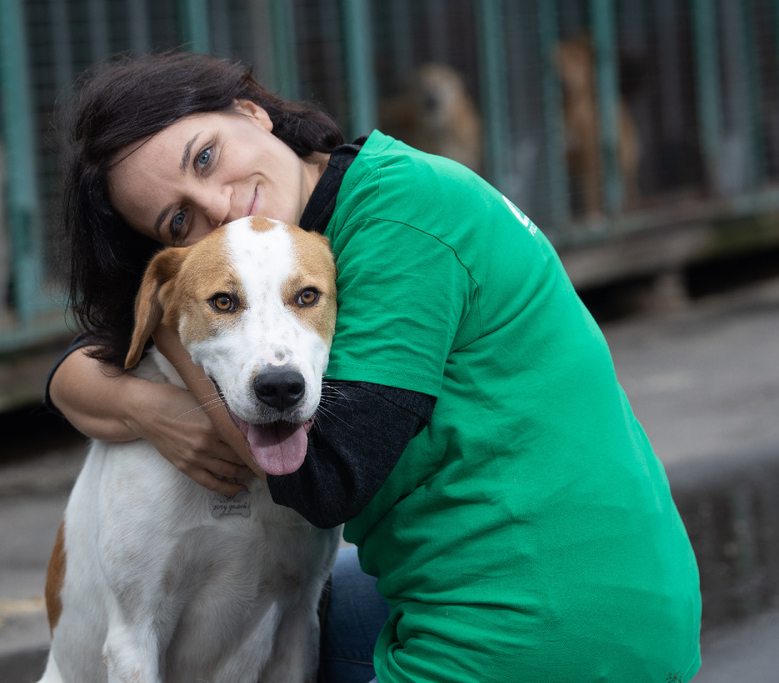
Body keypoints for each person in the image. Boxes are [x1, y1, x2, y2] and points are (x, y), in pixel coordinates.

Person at [46, 51, 702, 682]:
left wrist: (175, 335)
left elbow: (323, 481)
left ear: (251, 111)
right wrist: (139, 403)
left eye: (207, 157)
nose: (217, 205)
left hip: (547, 622)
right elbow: (89, 360)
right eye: (179, 219)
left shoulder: (402, 220)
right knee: (301, 595)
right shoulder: (340, 210)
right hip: (590, 581)